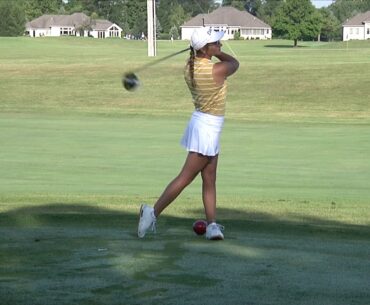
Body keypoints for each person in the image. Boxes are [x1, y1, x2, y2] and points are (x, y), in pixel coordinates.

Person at [138, 27, 239, 240]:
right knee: (185, 177)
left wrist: (207, 49)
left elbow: (202, 57)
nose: (220, 45)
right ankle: (152, 212)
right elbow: (235, 63)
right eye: (216, 42)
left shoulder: (190, 67)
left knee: (209, 179)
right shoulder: (215, 70)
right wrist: (217, 52)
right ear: (205, 48)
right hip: (206, 129)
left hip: (205, 125)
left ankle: (212, 225)